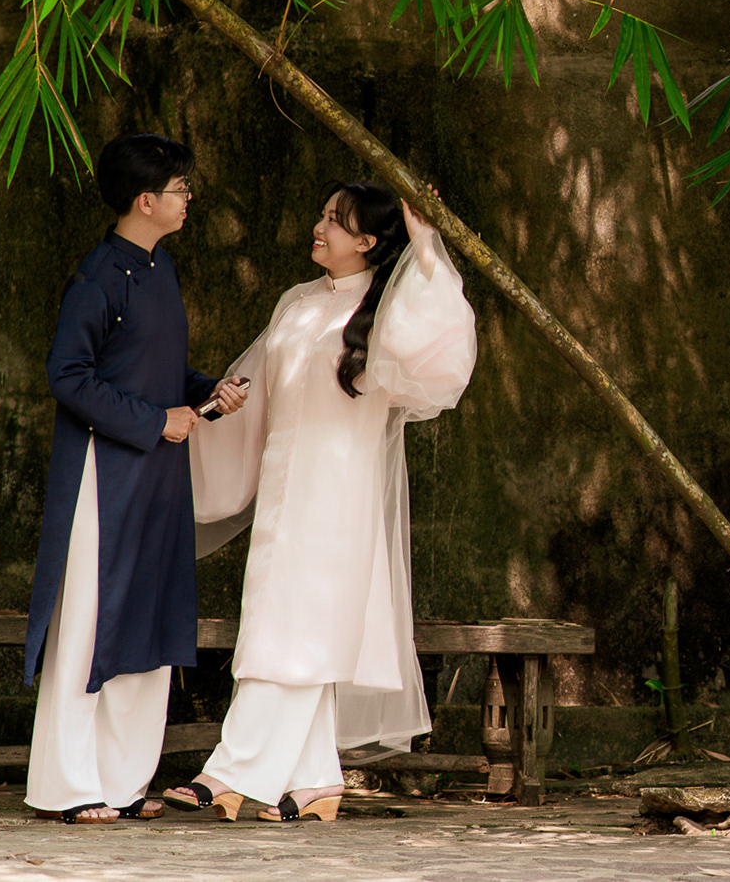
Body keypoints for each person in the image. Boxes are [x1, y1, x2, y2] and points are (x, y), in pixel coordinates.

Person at [166, 180, 477, 823]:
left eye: (337, 220)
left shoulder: (391, 307)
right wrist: (217, 408)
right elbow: (256, 386)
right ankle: (316, 781)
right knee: (280, 623)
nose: (320, 226)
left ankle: (229, 770)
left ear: (367, 241)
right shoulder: (297, 301)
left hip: (338, 495)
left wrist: (426, 246)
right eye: (323, 214)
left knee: (295, 630)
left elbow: (444, 357)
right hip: (283, 487)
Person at [24, 133, 250, 825]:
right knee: (92, 621)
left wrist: (207, 391)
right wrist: (156, 421)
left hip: (157, 474)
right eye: (181, 189)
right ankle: (68, 786)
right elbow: (68, 377)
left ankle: (123, 783)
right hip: (107, 473)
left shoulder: (161, 269)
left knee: (149, 620)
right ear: (145, 200)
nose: (189, 198)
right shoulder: (97, 279)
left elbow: (155, 368)